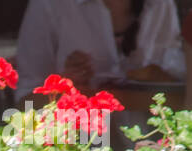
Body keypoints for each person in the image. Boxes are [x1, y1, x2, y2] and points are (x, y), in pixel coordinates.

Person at [15, 0, 184, 101]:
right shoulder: (51, 4)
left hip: (152, 146)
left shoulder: (160, 4)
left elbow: (181, 97)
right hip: (76, 145)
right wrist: (64, 87)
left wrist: (161, 78)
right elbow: (24, 103)